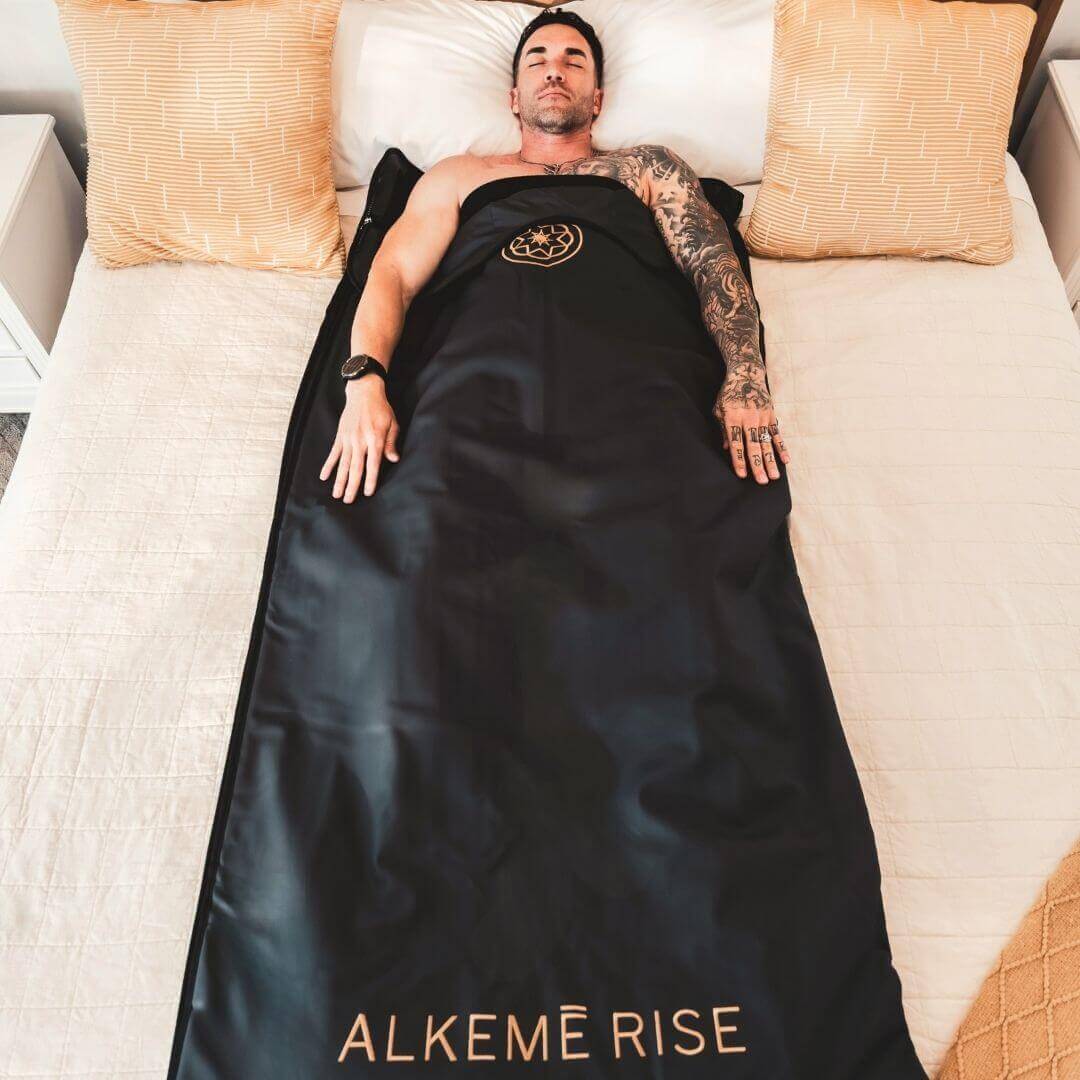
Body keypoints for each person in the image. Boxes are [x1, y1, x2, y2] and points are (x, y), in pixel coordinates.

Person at [319, 7, 790, 503]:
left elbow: (712, 266)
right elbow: (393, 275)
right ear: (514, 98)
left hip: (631, 376)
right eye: (537, 60)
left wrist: (745, 377)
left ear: (598, 99)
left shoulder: (647, 168)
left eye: (574, 60)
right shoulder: (460, 174)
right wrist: (364, 385)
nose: (554, 70)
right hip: (479, 380)